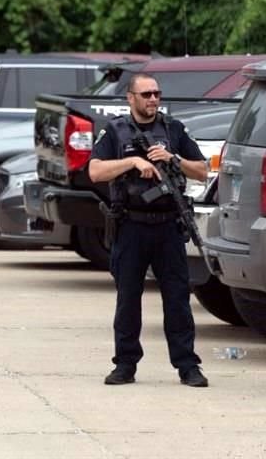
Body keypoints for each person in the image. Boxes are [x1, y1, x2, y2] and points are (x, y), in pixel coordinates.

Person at [89, 73, 210, 388]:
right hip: (131, 225)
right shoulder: (115, 131)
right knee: (128, 298)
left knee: (177, 300)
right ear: (131, 98)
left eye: (156, 94)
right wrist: (131, 162)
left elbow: (202, 171)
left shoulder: (172, 129)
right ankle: (125, 364)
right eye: (146, 94)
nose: (153, 100)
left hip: (168, 225)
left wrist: (173, 158)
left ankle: (187, 366)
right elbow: (95, 171)